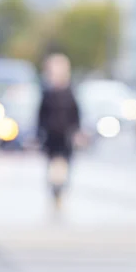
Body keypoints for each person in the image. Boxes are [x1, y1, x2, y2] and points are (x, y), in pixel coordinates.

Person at [36, 53, 82, 207]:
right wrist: (39, 134)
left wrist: (77, 132)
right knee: (53, 167)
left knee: (64, 167)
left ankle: (60, 191)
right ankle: (55, 192)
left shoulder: (70, 92)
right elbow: (40, 116)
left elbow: (76, 115)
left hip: (65, 137)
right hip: (51, 137)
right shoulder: (47, 93)